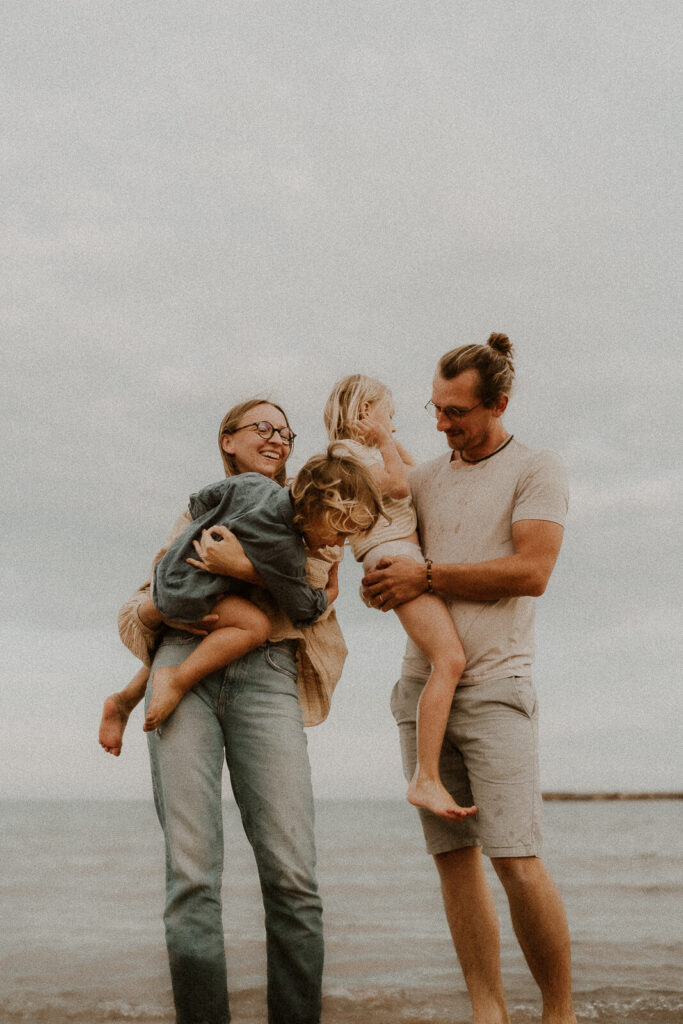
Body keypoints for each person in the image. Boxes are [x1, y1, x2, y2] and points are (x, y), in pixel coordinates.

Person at [109, 399, 376, 1024]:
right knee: (192, 875)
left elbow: (311, 604)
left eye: (286, 430)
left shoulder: (321, 507)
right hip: (183, 663)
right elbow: (144, 603)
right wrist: (158, 607)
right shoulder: (209, 505)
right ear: (227, 441)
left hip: (269, 675)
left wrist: (240, 567)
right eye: (263, 427)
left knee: (292, 878)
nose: (278, 437)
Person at [363, 335, 577, 1024]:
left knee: (515, 859)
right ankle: (487, 1012)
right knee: (454, 863)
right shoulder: (422, 478)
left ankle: (558, 1015)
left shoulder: (537, 468)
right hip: (420, 691)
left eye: (456, 412)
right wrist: (384, 583)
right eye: (435, 408)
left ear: (498, 404)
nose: (441, 424)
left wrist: (426, 574)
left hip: (496, 688)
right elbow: (394, 557)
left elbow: (532, 572)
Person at [107, 442, 383, 736]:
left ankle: (127, 698)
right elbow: (301, 608)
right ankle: (177, 679)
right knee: (255, 625)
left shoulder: (253, 484)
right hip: (186, 597)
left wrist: (209, 527)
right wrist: (327, 595)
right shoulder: (287, 551)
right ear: (316, 511)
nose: (338, 545)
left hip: (170, 571)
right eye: (340, 532)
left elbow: (201, 500)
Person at [324, 374, 476, 821]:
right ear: (365, 412)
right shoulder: (345, 454)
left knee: (444, 660)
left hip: (400, 552)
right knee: (449, 660)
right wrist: (385, 442)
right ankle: (425, 777)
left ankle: (428, 773)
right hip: (393, 555)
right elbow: (397, 488)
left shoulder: (369, 450)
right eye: (389, 413)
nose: (395, 423)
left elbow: (421, 477)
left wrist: (387, 440)